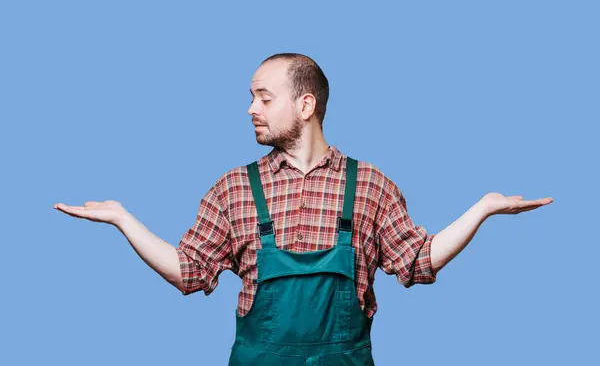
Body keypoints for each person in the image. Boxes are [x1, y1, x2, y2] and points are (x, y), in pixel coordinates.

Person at [54, 53, 553, 365]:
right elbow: (189, 272)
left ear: (306, 106)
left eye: (264, 98)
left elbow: (417, 261)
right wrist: (123, 219)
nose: (251, 108)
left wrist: (482, 209)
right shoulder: (234, 189)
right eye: (251, 97)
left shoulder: (371, 185)